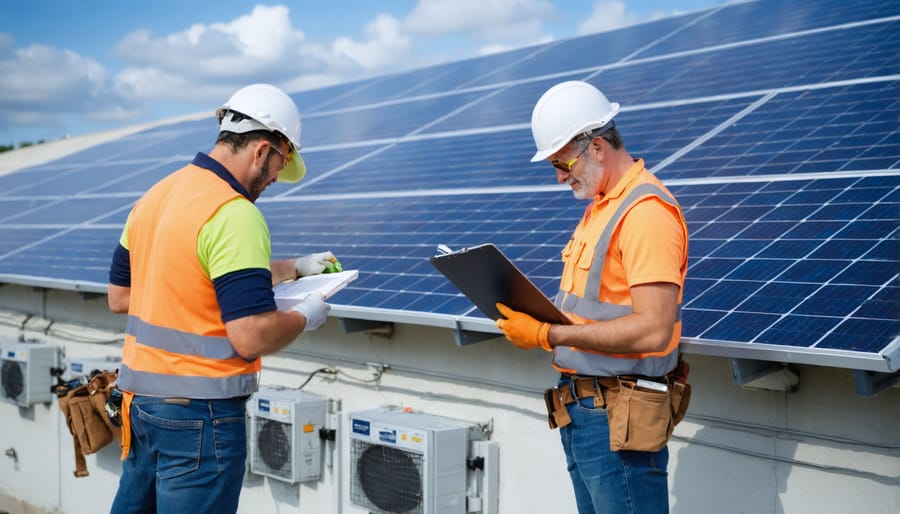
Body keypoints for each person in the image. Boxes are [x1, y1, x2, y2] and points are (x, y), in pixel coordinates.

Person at [106, 83, 338, 514]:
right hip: (201, 417)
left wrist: (292, 267)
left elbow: (122, 296)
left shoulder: (154, 197)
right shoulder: (235, 213)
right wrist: (307, 314)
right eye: (278, 167)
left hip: (140, 407)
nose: (273, 180)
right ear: (262, 150)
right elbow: (250, 335)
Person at [495, 80, 689, 514]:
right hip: (585, 412)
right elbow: (594, 309)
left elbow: (654, 329)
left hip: (618, 418)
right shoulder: (601, 208)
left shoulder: (645, 214)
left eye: (562, 163)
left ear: (597, 147)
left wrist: (547, 333)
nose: (561, 177)